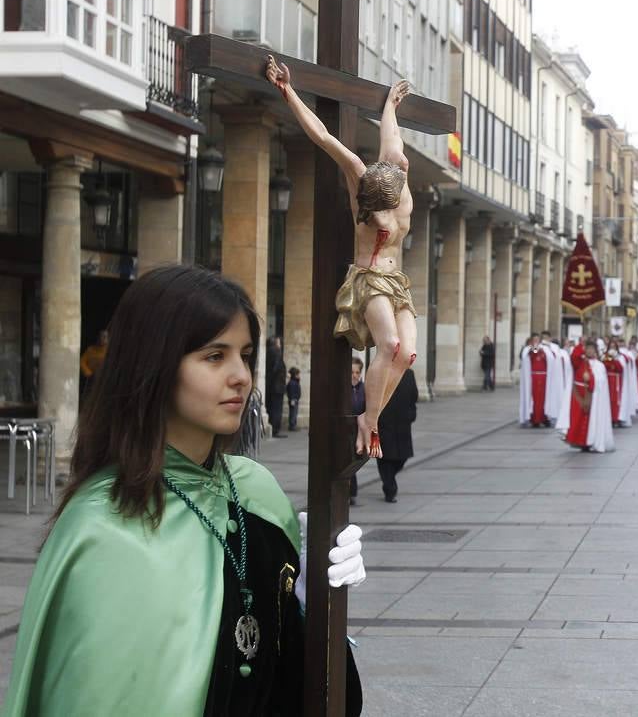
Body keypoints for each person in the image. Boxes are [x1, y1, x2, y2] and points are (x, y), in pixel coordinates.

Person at [2, 265, 365, 716]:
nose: (241, 377)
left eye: (245, 355)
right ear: (153, 364)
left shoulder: (258, 493)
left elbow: (309, 690)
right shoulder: (101, 528)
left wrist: (316, 606)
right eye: (214, 356)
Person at [267, 56, 415, 460]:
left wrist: (389, 107)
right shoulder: (361, 177)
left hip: (397, 283)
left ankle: (370, 417)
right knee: (390, 346)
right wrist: (288, 91)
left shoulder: (394, 167)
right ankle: (369, 420)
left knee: (408, 354)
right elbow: (323, 136)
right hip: (369, 279)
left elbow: (392, 138)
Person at [556, 339, 614, 453]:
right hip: (578, 394)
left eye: (592, 349)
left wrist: (591, 379)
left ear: (596, 351)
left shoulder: (599, 365)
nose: (590, 351)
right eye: (588, 349)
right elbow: (574, 357)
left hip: (592, 395)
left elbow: (601, 380)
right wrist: (581, 345)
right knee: (577, 418)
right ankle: (580, 442)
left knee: (591, 420)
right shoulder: (580, 361)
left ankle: (590, 442)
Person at [376, 368, 418, 503]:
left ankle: (389, 480)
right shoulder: (381, 372)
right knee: (385, 458)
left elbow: (414, 396)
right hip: (384, 423)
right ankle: (390, 489)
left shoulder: (409, 374)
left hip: (402, 424)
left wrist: (411, 415)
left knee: (402, 458)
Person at [350, 357, 367, 506]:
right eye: (352, 372)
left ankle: (352, 492)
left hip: (358, 432)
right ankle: (350, 491)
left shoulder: (364, 389)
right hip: (345, 430)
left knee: (353, 461)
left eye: (357, 372)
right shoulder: (344, 389)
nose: (354, 375)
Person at [265, 336, 287, 438]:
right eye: (279, 342)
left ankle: (274, 428)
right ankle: (275, 429)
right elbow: (276, 368)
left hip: (271, 386)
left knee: (271, 407)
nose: (280, 344)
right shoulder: (276, 352)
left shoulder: (269, 352)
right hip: (277, 386)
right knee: (276, 408)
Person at [79, 329, 109, 395]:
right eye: (101, 336)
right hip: (91, 380)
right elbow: (82, 362)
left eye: (104, 337)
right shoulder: (90, 350)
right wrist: (89, 373)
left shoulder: (109, 350)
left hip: (104, 379)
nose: (102, 339)